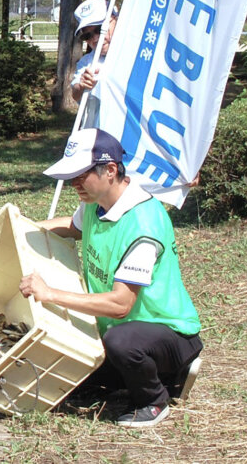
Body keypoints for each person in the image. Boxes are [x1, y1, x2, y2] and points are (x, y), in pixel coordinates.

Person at [18, 128, 203, 428]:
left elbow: (120, 305)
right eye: (71, 176)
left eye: (81, 175)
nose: (73, 184)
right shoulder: (95, 203)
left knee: (121, 342)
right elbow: (72, 227)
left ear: (111, 171)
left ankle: (155, 400)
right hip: (123, 329)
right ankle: (161, 376)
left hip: (166, 332)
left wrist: (50, 294)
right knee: (79, 380)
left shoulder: (143, 225)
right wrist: (19, 227)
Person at [70, 0, 117, 127]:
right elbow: (76, 93)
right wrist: (82, 85)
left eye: (100, 29)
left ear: (115, 20)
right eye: (87, 36)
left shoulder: (138, 53)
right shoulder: (87, 63)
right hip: (101, 139)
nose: (96, 38)